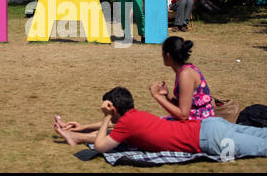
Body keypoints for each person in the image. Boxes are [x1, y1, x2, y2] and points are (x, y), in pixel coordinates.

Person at [89, 86, 267, 159]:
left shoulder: (126, 124)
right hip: (209, 125)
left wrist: (105, 116)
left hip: (210, 139)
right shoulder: (137, 116)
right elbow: (108, 133)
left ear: (114, 109)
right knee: (261, 135)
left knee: (262, 146)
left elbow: (100, 146)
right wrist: (78, 131)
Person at [150, 36, 215, 121]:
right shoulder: (184, 70)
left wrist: (156, 96)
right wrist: (167, 95)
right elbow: (185, 105)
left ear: (168, 55)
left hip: (200, 123)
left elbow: (183, 115)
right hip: (197, 119)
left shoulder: (185, 74)